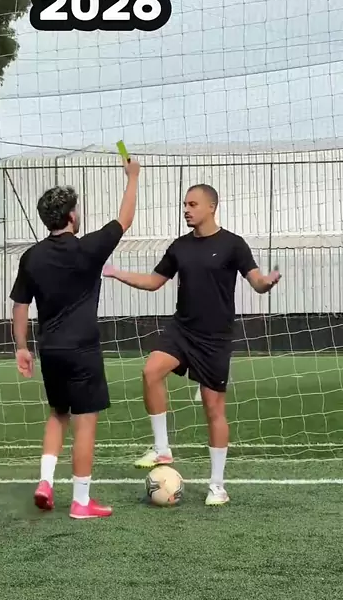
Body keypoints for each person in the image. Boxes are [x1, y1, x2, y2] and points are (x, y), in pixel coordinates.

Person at [103, 183, 281, 506]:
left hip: (215, 339)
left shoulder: (233, 244)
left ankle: (217, 486)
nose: (186, 209)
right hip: (182, 330)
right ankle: (162, 448)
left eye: (193, 204)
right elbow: (154, 282)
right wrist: (117, 272)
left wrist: (266, 283)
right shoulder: (179, 247)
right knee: (151, 371)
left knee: (213, 409)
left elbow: (255, 280)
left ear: (212, 207)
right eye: (185, 204)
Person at [10, 156, 141, 519]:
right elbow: (125, 219)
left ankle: (46, 482)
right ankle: (81, 501)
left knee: (58, 414)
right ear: (71, 216)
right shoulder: (88, 248)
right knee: (85, 422)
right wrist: (132, 177)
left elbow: (20, 305)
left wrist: (21, 347)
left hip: (50, 350)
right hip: (82, 349)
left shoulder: (31, 257)